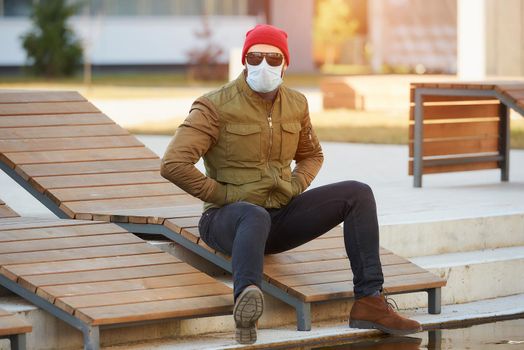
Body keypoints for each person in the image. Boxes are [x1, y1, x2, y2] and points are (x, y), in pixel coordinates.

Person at [161, 24, 421, 345]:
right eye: (255, 57)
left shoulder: (296, 104)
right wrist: (222, 194)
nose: (263, 66)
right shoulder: (214, 105)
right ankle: (246, 303)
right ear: (244, 61)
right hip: (226, 220)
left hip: (279, 217)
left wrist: (297, 185)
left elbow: (312, 154)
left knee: (358, 193)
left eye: (273, 58)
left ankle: (370, 300)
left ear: (285, 63)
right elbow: (173, 163)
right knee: (252, 214)